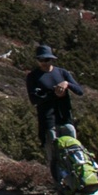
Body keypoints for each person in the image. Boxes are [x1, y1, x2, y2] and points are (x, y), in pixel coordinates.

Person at [25, 45, 84, 173]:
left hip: (64, 116)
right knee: (54, 154)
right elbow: (34, 100)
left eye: (47, 60)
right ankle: (59, 181)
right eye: (41, 60)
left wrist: (66, 84)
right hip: (47, 119)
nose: (44, 63)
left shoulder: (62, 73)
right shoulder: (33, 76)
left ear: (52, 60)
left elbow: (80, 91)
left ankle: (77, 177)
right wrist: (54, 93)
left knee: (73, 148)